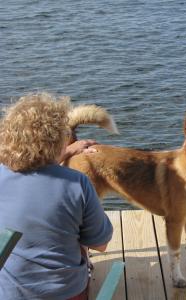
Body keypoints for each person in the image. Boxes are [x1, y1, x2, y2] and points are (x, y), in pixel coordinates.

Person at [0, 92, 113, 300]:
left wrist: (69, 151)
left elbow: (32, 166)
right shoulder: (77, 184)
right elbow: (101, 243)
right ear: (58, 139)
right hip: (66, 292)